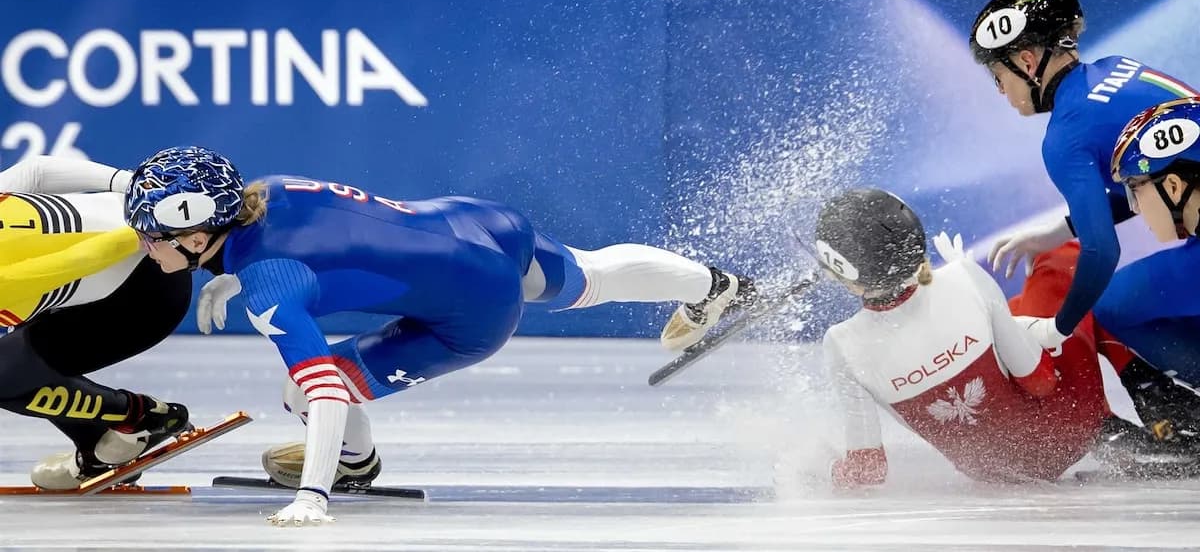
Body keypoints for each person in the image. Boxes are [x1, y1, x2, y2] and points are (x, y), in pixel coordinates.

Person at [122, 146, 755, 526]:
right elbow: (329, 239)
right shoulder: (270, 190)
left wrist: (312, 498)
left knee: (300, 390)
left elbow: (322, 393)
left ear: (199, 233)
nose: (145, 245)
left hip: (472, 314)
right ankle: (715, 286)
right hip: (474, 222)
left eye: (151, 233)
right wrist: (227, 277)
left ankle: (350, 468)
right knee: (588, 275)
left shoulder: (269, 285)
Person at [817, 189, 1193, 489]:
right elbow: (1042, 382)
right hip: (1071, 426)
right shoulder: (962, 279)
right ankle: (1157, 400)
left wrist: (815, 471)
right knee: (1065, 261)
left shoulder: (841, 344)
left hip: (995, 472)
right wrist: (1026, 327)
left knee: (1016, 308)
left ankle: (1124, 425)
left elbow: (867, 470)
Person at [969, 0, 1200, 433]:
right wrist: (1063, 229)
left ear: (1028, 61)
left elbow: (1101, 252)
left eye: (999, 77)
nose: (1001, 92)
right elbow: (1171, 171)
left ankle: (1173, 415)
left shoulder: (1065, 135)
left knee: (1105, 304)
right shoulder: (1120, 68)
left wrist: (1057, 327)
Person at [0, 156, 193, 490]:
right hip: (129, 260)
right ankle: (98, 442)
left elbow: (74, 261)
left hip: (142, 298)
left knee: (6, 373)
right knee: (17, 362)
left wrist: (139, 230)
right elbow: (36, 171)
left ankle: (143, 417)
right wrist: (133, 187)